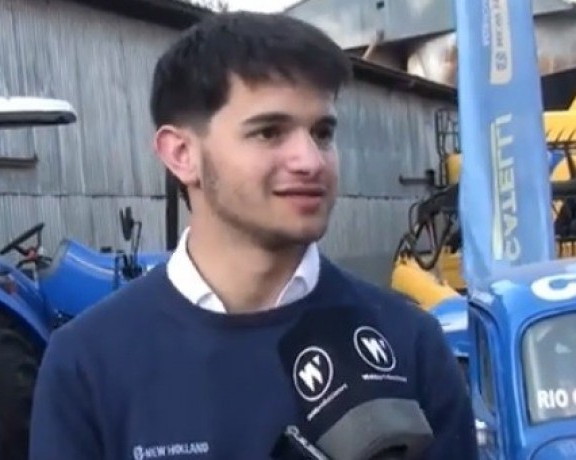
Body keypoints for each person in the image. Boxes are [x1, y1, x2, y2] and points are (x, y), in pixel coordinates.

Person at [28, 11, 477, 460]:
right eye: (269, 132)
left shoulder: (408, 342)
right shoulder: (87, 362)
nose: (310, 161)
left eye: (322, 133)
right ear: (182, 154)